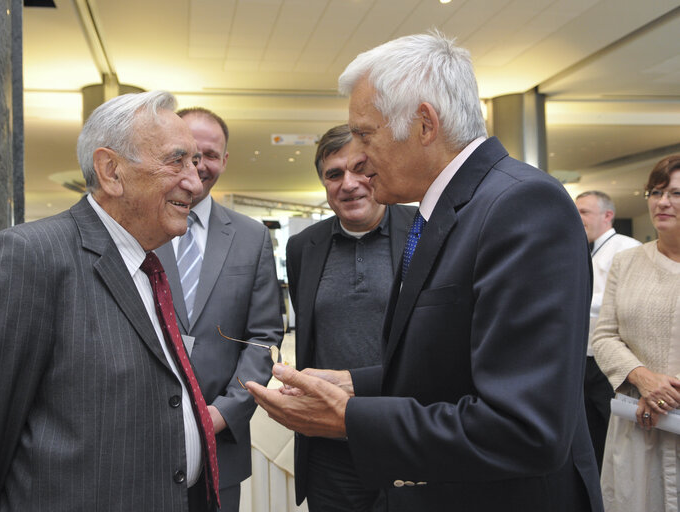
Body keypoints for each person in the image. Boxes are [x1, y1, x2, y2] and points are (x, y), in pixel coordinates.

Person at [247, 32, 604, 512]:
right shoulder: (450, 209)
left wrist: (349, 417)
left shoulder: (521, 205)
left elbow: (527, 429)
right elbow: (457, 366)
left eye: (366, 135)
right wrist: (358, 384)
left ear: (424, 124)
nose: (360, 161)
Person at [0, 91, 220, 512]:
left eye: (196, 164)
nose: (194, 180)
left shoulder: (146, 264)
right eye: (177, 161)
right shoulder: (31, 257)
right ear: (111, 171)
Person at [153, 107, 283, 512]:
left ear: (225, 160)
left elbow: (262, 339)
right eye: (185, 154)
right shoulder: (139, 227)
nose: (198, 165)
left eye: (209, 154)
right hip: (142, 440)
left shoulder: (251, 237)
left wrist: (222, 414)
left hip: (221, 443)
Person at [286, 124, 416, 511]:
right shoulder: (302, 248)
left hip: (406, 434)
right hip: (330, 448)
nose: (350, 183)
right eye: (334, 174)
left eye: (361, 168)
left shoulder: (425, 232)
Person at [592, 155, 680, 512]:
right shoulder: (627, 263)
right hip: (639, 420)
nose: (662, 202)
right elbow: (605, 336)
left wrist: (667, 394)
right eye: (655, 192)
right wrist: (644, 380)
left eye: (676, 193)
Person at [575, 190, 641, 471]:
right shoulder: (583, 248)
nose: (578, 218)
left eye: (584, 212)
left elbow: (625, 301)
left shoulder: (627, 248)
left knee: (610, 430)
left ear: (608, 216)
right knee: (588, 433)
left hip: (610, 362)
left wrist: (573, 299)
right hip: (583, 359)